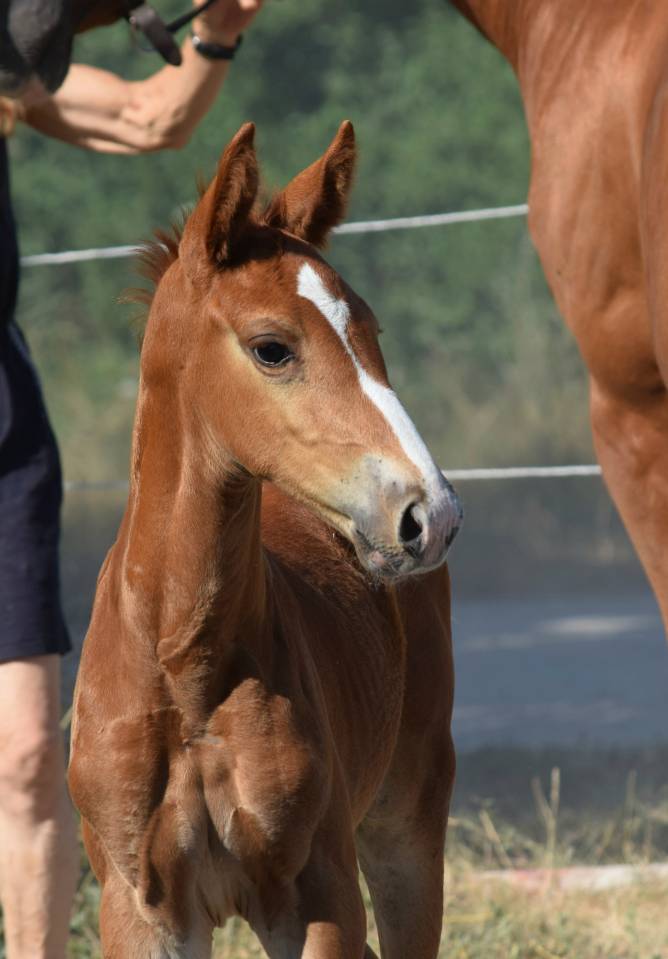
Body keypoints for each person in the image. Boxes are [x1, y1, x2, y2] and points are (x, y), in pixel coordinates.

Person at [0, 2, 261, 956]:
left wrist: (217, 33)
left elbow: (152, 119)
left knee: (30, 752)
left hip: (2, 421)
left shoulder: (7, 69)